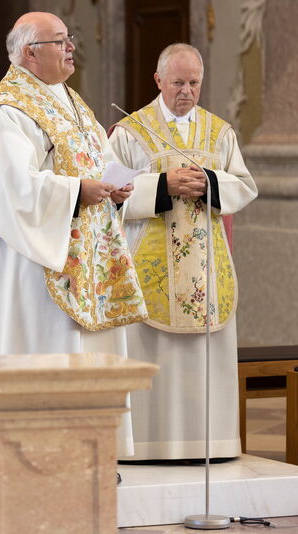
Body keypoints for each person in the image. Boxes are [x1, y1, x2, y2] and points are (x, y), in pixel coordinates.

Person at [0, 12, 149, 461]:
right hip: (40, 257)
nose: (71, 48)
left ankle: (92, 452)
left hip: (89, 252)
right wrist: (76, 191)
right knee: (50, 350)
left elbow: (99, 159)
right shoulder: (11, 110)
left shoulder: (71, 100)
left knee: (89, 354)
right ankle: (41, 455)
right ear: (30, 53)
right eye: (61, 41)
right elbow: (12, 187)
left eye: (70, 39)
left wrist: (115, 187)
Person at [109, 43, 258, 461]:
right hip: (150, 267)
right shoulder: (130, 132)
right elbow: (109, 192)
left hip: (206, 270)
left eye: (194, 82)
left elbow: (244, 186)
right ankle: (147, 446)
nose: (186, 91)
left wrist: (211, 183)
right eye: (178, 82)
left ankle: (211, 444)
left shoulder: (220, 132)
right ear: (159, 80)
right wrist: (163, 185)